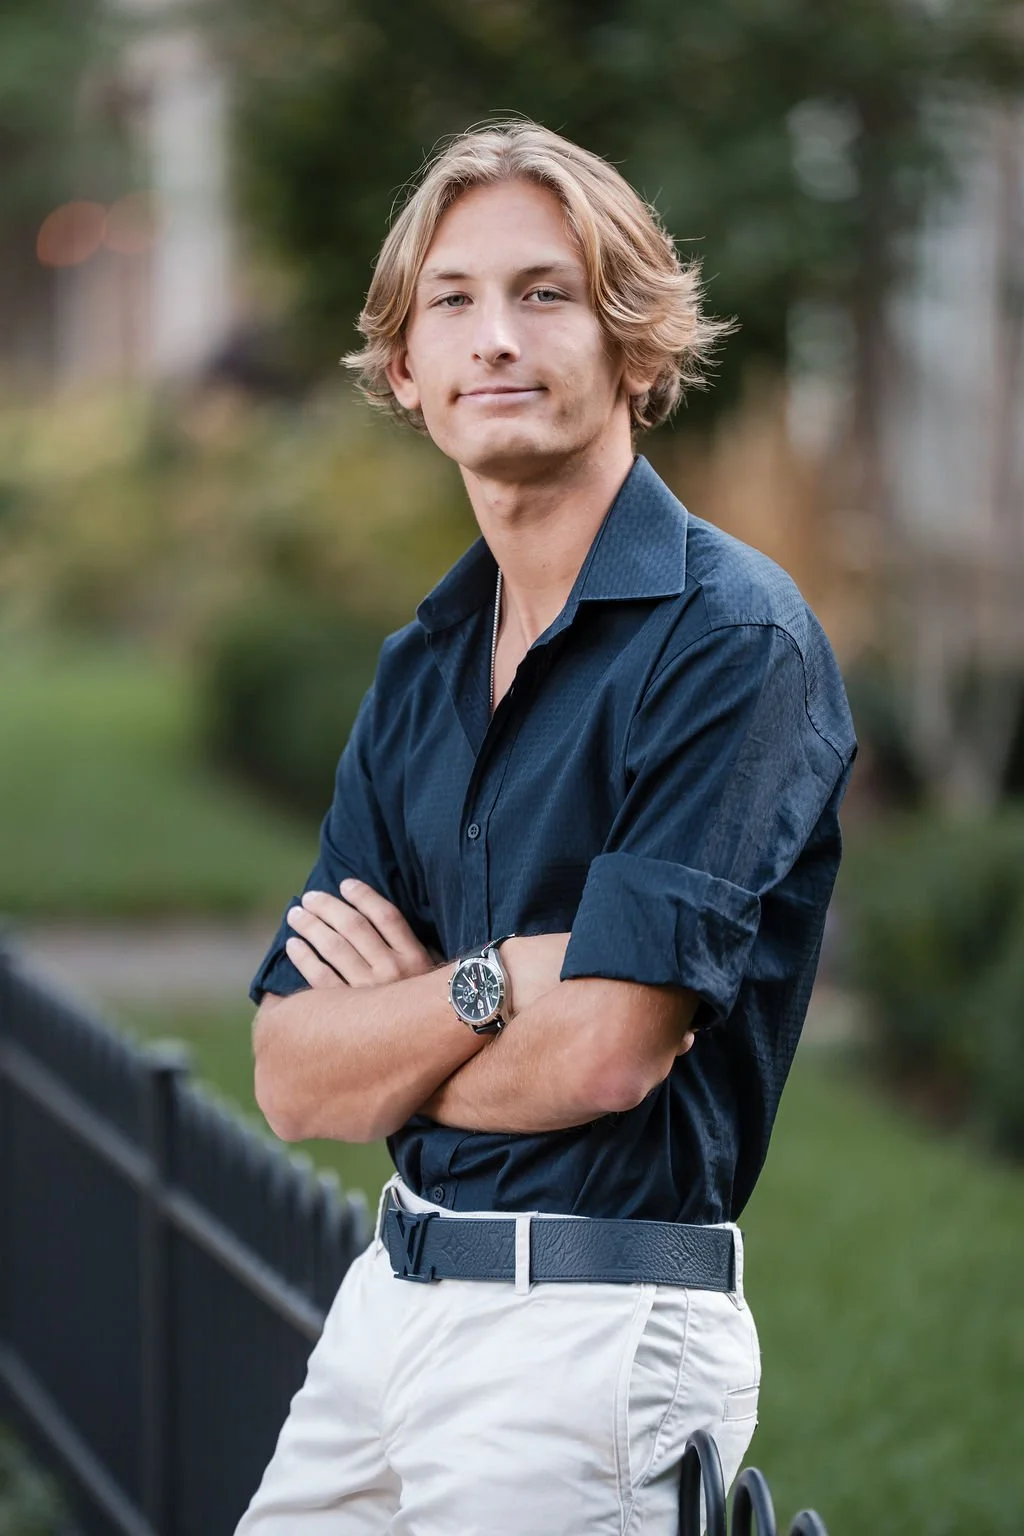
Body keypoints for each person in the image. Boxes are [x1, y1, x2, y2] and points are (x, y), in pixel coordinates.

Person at [233, 119, 857, 1535]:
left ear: (633, 342)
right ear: (407, 371)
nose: (493, 338)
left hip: (590, 1333)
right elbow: (286, 1076)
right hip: (388, 1304)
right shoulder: (424, 664)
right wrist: (504, 978)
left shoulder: (732, 639)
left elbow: (609, 1050)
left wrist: (397, 1029)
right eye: (451, 302)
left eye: (544, 293)